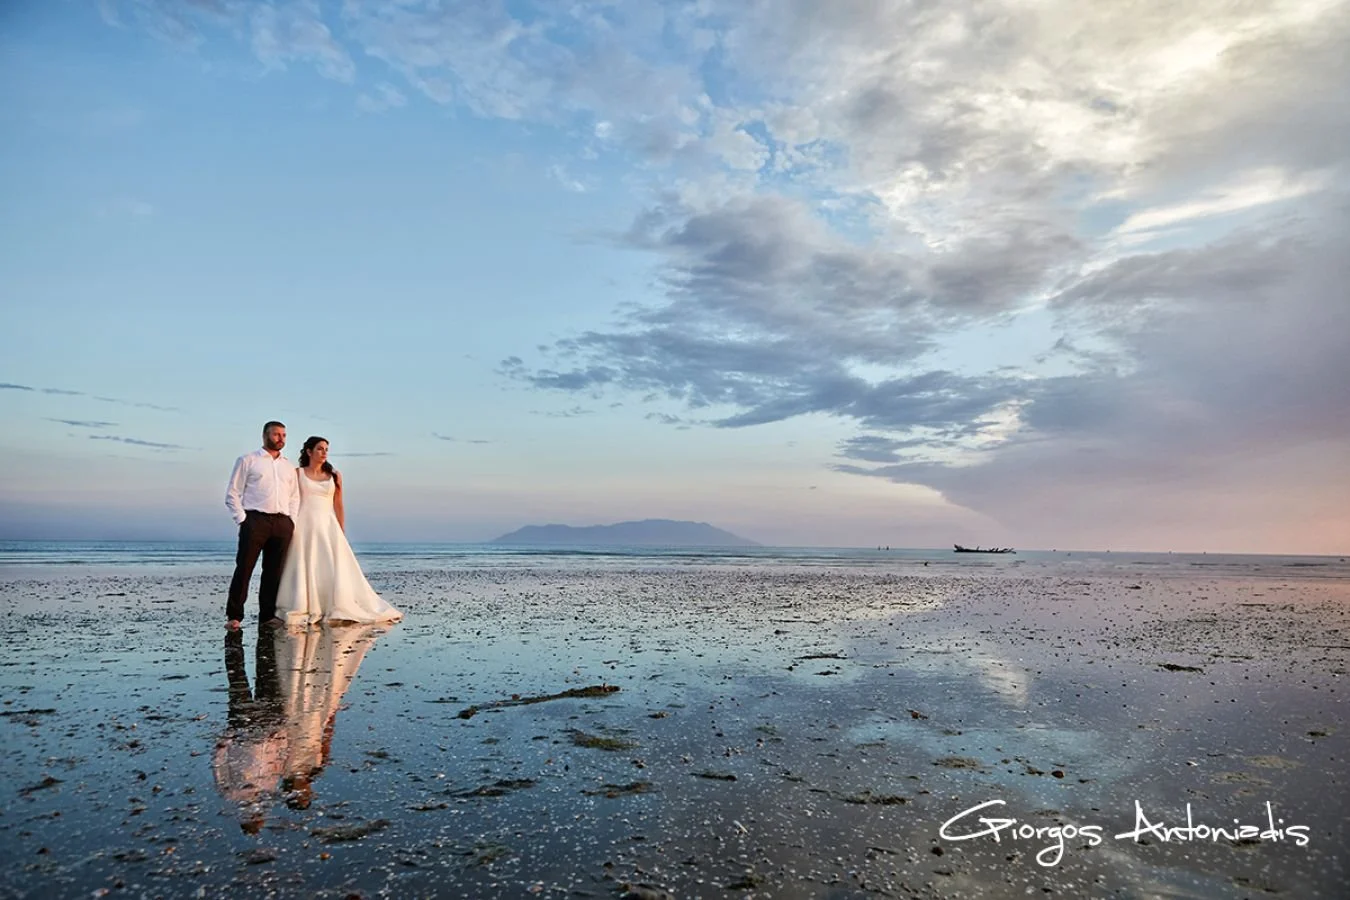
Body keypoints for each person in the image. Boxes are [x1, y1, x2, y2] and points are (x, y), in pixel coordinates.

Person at [275, 436, 402, 626]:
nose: (324, 452)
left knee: (330, 566)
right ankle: (304, 604)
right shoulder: (297, 473)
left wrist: (340, 531)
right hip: (305, 523)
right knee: (305, 563)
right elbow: (291, 500)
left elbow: (338, 504)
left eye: (326, 449)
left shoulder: (334, 475)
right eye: (320, 448)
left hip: (328, 525)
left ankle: (331, 603)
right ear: (309, 452)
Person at [224, 421, 300, 630]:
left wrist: (290, 521)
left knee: (274, 571)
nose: (281, 439)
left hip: (282, 522)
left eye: (284, 435)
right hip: (255, 520)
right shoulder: (248, 460)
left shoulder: (288, 466)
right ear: (265, 436)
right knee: (245, 568)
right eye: (276, 435)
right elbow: (232, 493)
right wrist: (243, 519)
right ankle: (234, 616)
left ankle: (267, 616)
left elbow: (294, 496)